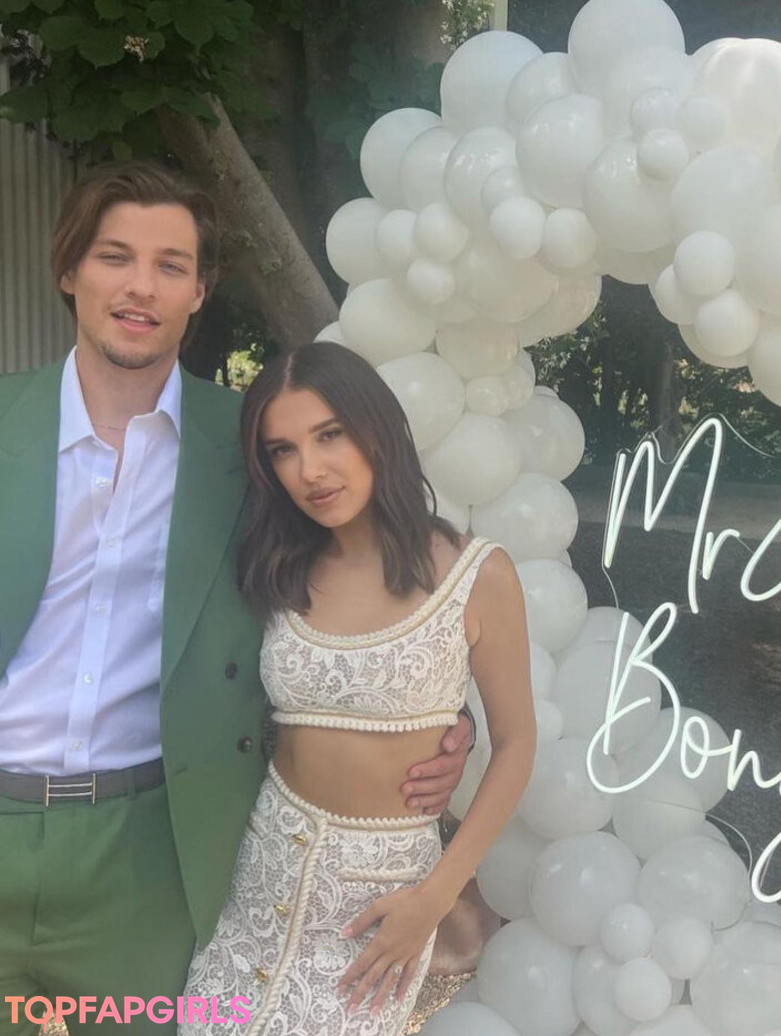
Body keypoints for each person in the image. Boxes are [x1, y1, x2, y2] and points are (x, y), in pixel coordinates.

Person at [0, 162, 472, 1036]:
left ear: (199, 291)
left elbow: (360, 578)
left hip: (147, 851)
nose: (141, 286)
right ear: (69, 269)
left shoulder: (253, 447)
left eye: (171, 265)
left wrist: (442, 715)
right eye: (115, 256)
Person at [180, 342, 536, 1035]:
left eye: (330, 434)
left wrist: (435, 899)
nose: (309, 470)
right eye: (283, 450)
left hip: (379, 909)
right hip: (258, 872)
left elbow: (518, 744)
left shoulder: (477, 574)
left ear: (377, 428)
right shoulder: (274, 566)